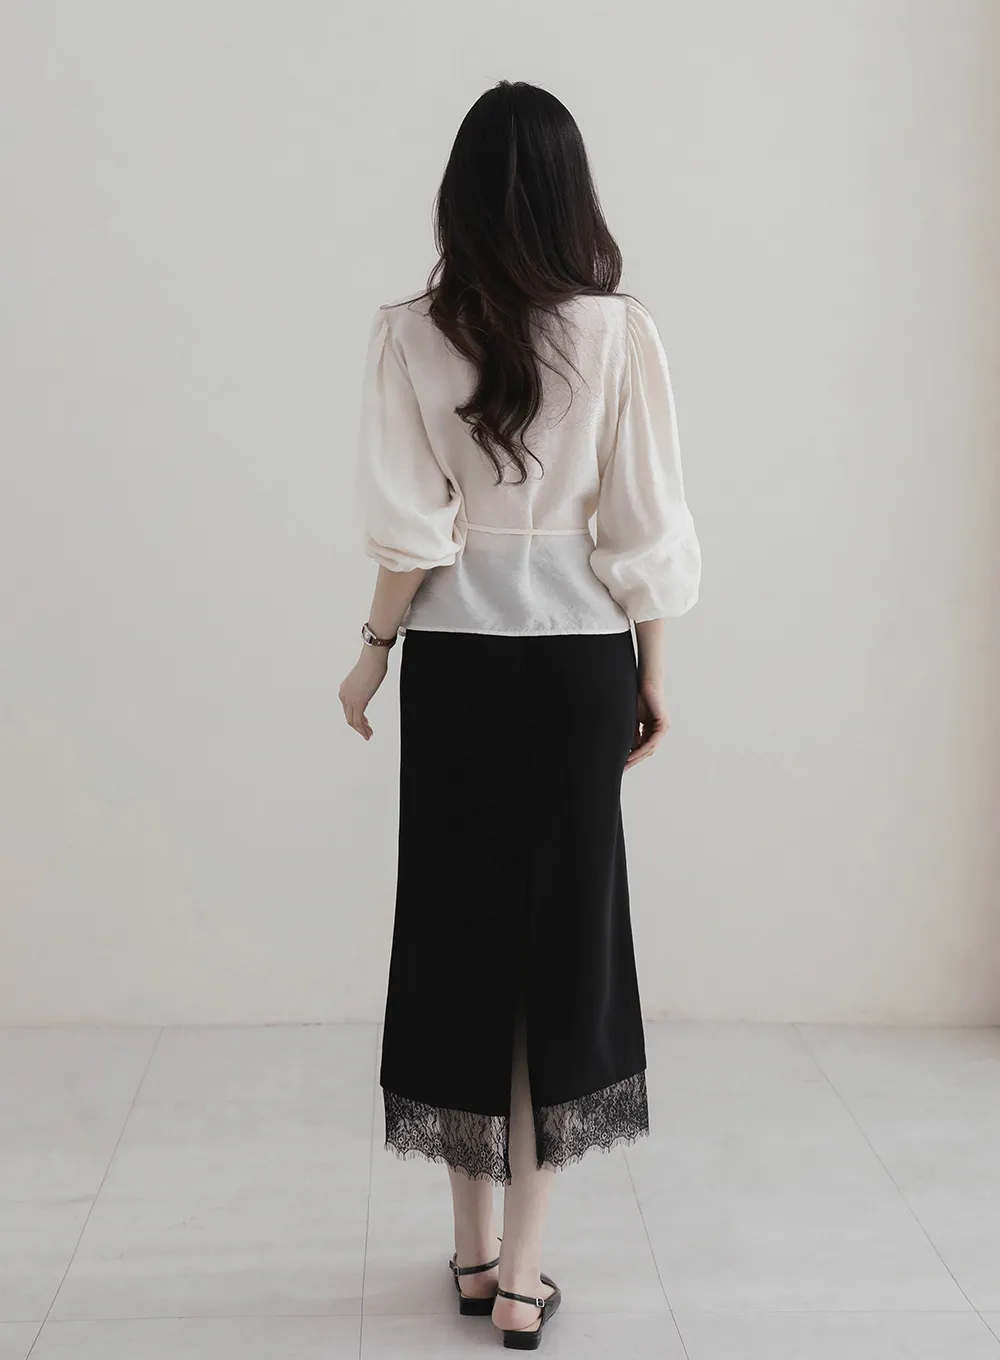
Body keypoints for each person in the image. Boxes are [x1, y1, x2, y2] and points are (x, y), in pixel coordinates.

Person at [338, 79, 701, 1351]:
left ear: (458, 193)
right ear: (569, 190)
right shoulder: (618, 333)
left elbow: (409, 532)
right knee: (563, 950)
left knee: (456, 937)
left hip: (456, 667)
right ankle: (524, 1276)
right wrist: (653, 669)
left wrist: (371, 656)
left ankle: (472, 1249)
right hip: (578, 668)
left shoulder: (407, 333)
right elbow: (644, 524)